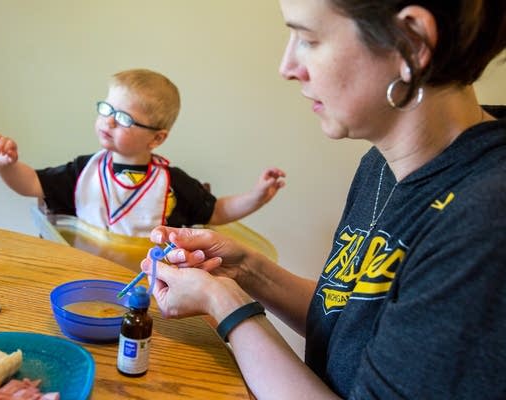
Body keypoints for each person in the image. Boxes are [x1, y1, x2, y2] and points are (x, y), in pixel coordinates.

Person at [141, 1, 506, 399]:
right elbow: (353, 316)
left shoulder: (486, 222)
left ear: (411, 42)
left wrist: (227, 307)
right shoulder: (380, 166)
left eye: (309, 39)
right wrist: (245, 269)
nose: (287, 67)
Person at [0, 68, 286, 237]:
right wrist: (6, 166)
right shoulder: (83, 171)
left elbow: (216, 211)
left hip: (148, 290)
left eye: (124, 118)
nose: (109, 120)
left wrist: (255, 196)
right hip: (84, 277)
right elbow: (32, 184)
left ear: (157, 139)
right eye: (107, 108)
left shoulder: (173, 183)